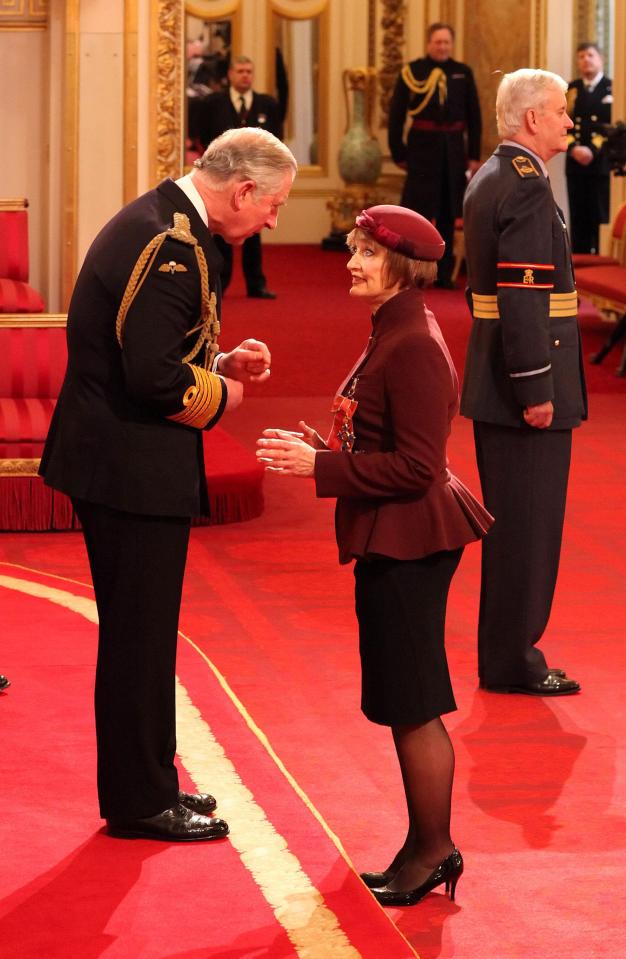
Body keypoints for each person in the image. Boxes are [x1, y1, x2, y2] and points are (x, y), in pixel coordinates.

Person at [40, 127, 297, 841]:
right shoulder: (174, 246)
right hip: (128, 464)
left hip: (124, 457)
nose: (273, 219)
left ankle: (152, 779)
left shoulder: (169, 221)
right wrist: (226, 396)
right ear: (242, 189)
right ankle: (139, 800)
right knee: (137, 638)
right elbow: (152, 377)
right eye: (273, 204)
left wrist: (221, 355)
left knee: (145, 636)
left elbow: (157, 340)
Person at [256, 205, 492, 906]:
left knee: (415, 702)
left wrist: (319, 470)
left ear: (403, 265)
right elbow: (387, 440)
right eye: (353, 249)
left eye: (364, 252)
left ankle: (435, 850)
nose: (351, 262)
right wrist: (331, 453)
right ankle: (421, 844)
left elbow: (419, 467)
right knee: (401, 698)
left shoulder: (413, 340)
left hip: (413, 540)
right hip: (395, 534)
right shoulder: (393, 324)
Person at [461, 69, 587, 696]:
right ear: (532, 118)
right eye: (562, 111)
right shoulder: (526, 188)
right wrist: (537, 388)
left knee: (515, 526)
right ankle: (513, 661)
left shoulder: (492, 176)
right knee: (527, 531)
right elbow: (521, 298)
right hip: (526, 387)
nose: (569, 121)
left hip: (498, 375)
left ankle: (507, 654)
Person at [387, 22, 482, 289]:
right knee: (417, 214)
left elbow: (474, 117)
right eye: (437, 42)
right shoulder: (413, 72)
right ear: (429, 44)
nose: (442, 47)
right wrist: (398, 151)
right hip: (421, 151)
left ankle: (443, 271)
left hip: (453, 152)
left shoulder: (463, 73)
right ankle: (413, 270)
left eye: (446, 42)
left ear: (452, 45)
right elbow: (396, 115)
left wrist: (473, 155)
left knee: (448, 214)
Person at [199, 55, 283, 299]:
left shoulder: (267, 104)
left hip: (256, 181)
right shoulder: (213, 103)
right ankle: (220, 283)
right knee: (222, 233)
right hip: (223, 180)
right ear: (230, 75)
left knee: (254, 232)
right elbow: (204, 138)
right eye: (240, 71)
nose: (245, 75)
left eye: (249, 71)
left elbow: (275, 141)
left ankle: (256, 284)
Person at [566, 42, 612, 254]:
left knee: (599, 216)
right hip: (575, 163)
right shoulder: (570, 89)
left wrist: (591, 150)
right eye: (581, 56)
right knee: (578, 216)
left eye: (590, 55)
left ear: (600, 59)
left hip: (600, 164)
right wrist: (573, 148)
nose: (586, 59)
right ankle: (579, 267)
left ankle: (599, 261)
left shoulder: (611, 88)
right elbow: (562, 122)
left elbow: (611, 126)